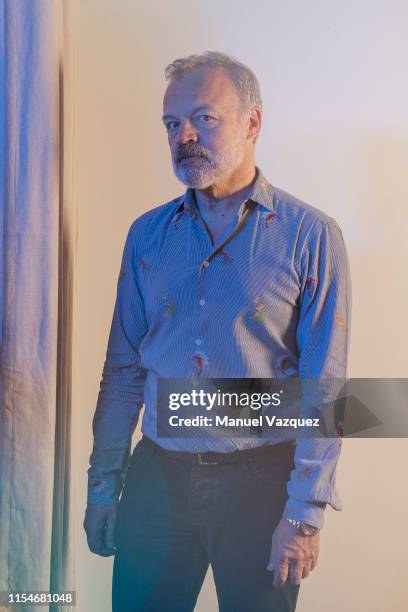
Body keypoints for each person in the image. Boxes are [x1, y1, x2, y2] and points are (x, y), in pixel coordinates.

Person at [83, 51, 351, 612]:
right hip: (156, 479)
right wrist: (104, 486)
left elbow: (322, 385)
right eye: (172, 123)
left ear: (253, 123)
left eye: (204, 118)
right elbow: (124, 371)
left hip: (260, 485)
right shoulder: (147, 236)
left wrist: (304, 513)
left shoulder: (311, 237)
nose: (184, 136)